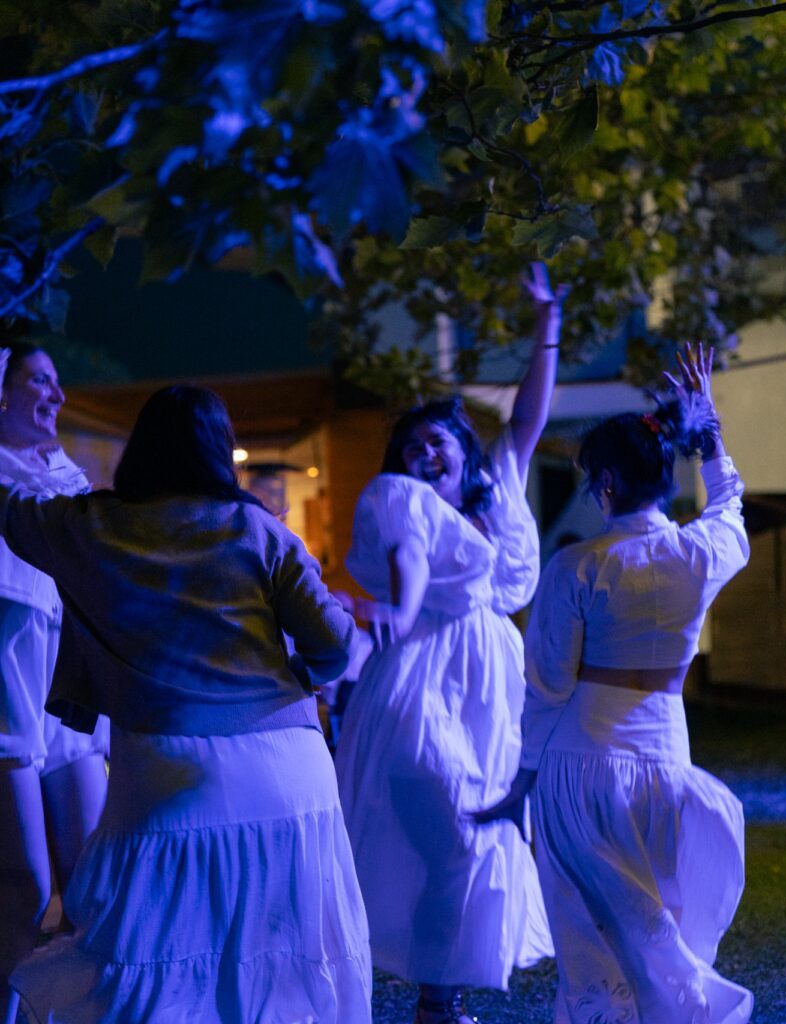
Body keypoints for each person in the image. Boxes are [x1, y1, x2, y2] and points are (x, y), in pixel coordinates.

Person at [2, 384, 371, 1024]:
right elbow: (336, 643)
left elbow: (12, 507)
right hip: (289, 771)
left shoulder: (89, 526)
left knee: (154, 958)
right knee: (279, 959)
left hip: (166, 768)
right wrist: (296, 676)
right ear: (220, 451)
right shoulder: (257, 527)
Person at [478, 344, 753, 1024]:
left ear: (604, 484)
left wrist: (523, 780)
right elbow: (728, 503)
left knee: (587, 936)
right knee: (654, 909)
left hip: (583, 762)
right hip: (662, 755)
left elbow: (544, 685)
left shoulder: (577, 565)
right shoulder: (701, 552)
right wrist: (708, 428)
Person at [334, 264, 565, 1024]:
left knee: (470, 847)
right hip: (422, 683)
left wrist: (545, 324)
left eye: (437, 442)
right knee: (448, 834)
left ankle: (439, 1000)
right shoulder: (402, 505)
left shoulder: (498, 484)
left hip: (492, 686)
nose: (424, 454)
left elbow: (528, 415)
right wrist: (392, 613)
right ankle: (419, 993)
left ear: (462, 452)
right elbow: (406, 565)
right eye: (412, 446)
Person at [0, 342, 109, 1024]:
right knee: (28, 887)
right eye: (40, 380)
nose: (57, 395)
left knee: (97, 882)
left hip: (66, 704)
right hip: (8, 700)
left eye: (59, 380)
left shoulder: (67, 479)